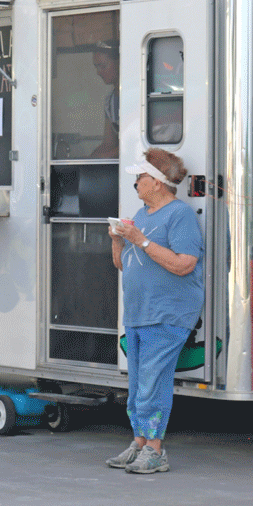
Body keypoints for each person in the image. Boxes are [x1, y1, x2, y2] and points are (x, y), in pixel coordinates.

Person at [106, 149, 204, 474]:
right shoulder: (143, 214)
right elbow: (122, 265)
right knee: (137, 384)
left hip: (167, 314)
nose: (136, 184)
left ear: (158, 183)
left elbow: (184, 264)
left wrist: (141, 241)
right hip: (138, 313)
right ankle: (139, 444)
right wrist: (118, 242)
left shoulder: (180, 215)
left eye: (141, 178)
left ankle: (156, 450)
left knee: (153, 381)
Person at [90, 40, 120, 158]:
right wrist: (89, 159)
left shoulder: (133, 96)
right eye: (96, 67)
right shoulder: (110, 101)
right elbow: (109, 143)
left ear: (119, 62)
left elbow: (134, 145)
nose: (98, 72)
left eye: (103, 66)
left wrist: (102, 157)